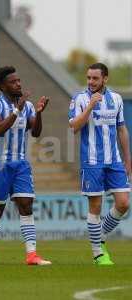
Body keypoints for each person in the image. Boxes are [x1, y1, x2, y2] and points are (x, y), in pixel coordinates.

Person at [0, 66, 51, 266]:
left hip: (21, 163)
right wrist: (17, 109)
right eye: (13, 82)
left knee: (26, 205)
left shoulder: (27, 106)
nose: (18, 84)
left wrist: (38, 112)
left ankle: (31, 254)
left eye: (19, 80)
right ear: (3, 86)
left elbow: (35, 132)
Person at [68, 63, 130, 265]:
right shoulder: (80, 99)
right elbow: (74, 127)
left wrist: (128, 159)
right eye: (88, 78)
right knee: (96, 206)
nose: (91, 82)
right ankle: (98, 253)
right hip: (92, 161)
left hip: (114, 161)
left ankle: (100, 236)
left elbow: (122, 130)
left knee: (123, 203)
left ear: (105, 79)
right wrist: (90, 107)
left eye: (95, 78)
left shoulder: (117, 99)